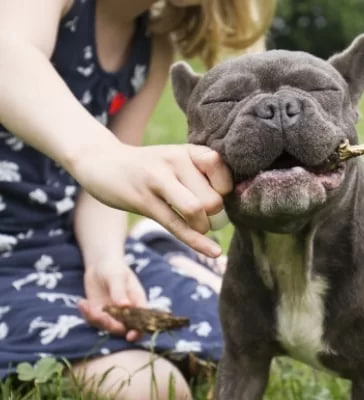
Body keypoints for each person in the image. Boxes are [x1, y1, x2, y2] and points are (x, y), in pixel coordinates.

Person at [0, 0, 274, 398]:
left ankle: (159, 250)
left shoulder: (153, 44)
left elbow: (102, 194)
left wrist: (105, 262)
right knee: (155, 388)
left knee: (241, 332)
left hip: (60, 248)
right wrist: (100, 154)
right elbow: (8, 52)